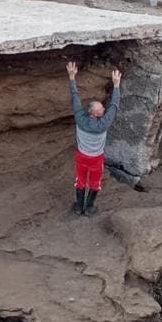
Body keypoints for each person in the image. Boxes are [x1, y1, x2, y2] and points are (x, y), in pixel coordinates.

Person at [66, 61, 122, 216]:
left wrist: (72, 77)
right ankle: (89, 208)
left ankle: (79, 207)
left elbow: (75, 97)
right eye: (101, 109)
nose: (104, 108)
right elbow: (114, 106)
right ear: (96, 114)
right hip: (96, 159)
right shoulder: (103, 124)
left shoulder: (80, 117)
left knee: (81, 180)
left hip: (82, 156)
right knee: (95, 182)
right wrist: (116, 85)